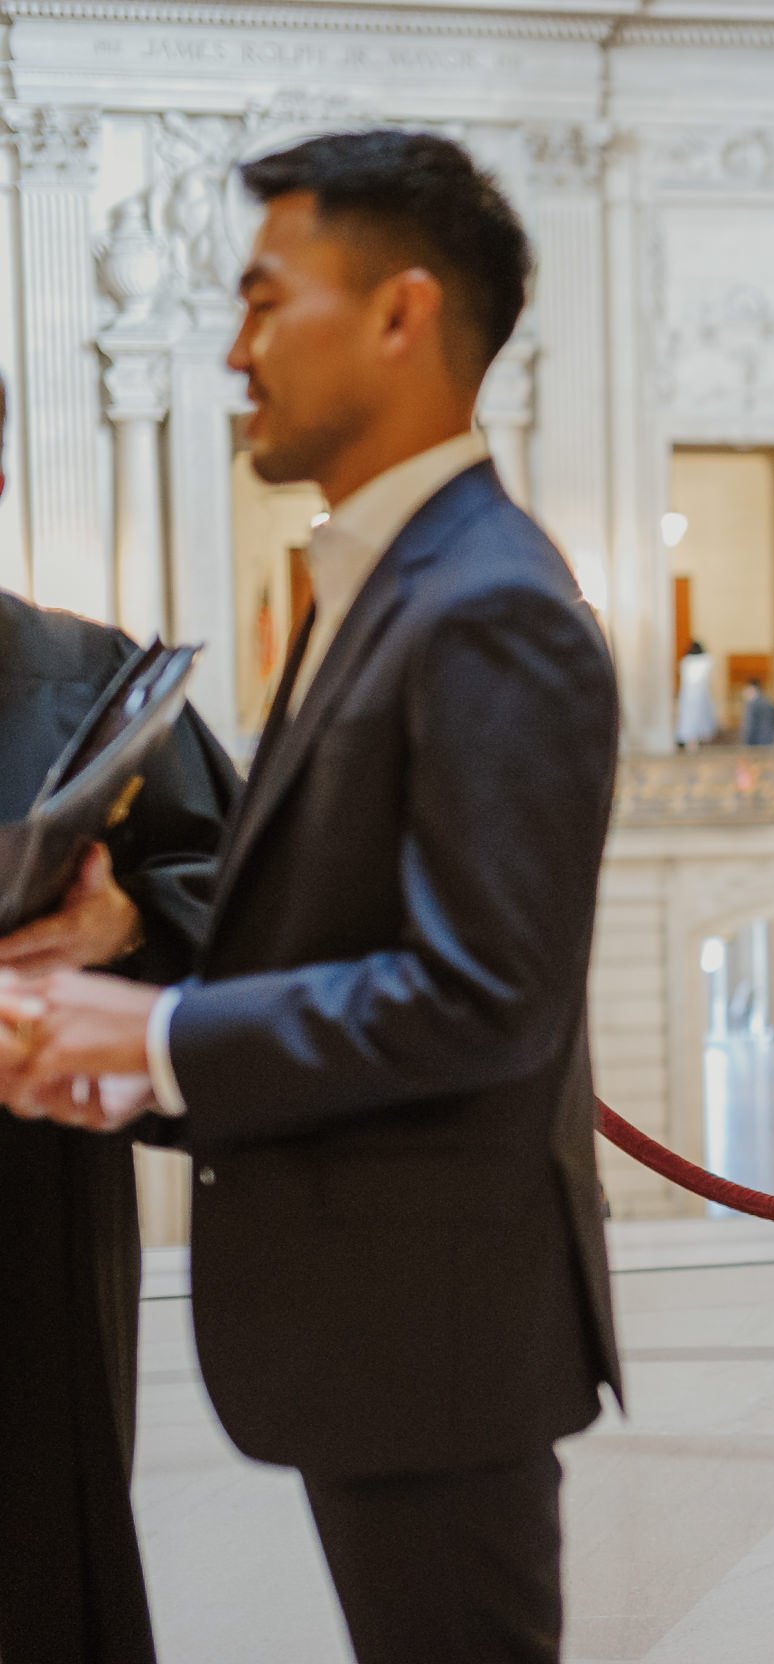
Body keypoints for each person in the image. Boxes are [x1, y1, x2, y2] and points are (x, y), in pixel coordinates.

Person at [0, 131, 621, 1663]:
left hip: (437, 1335)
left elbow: (481, 999)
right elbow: (326, 927)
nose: (233, 348)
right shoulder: (396, 579)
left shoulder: (487, 607)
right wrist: (127, 964)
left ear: (403, 315)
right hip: (386, 1329)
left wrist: (143, 1043)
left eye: (267, 301)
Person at [0, 375, 240, 1664]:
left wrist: (126, 926)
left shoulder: (82, 679)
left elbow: (256, 897)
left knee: (41, 1555)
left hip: (26, 1216)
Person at [676, 637, 718, 747]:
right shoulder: (707, 660)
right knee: (701, 717)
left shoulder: (686, 661)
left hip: (688, 694)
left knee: (689, 718)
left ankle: (691, 741)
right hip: (701, 693)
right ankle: (701, 739)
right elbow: (710, 679)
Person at [739, 676, 774, 746]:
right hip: (769, 741)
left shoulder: (752, 705)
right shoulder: (769, 702)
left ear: (751, 688)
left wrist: (746, 745)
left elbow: (750, 727)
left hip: (755, 744)